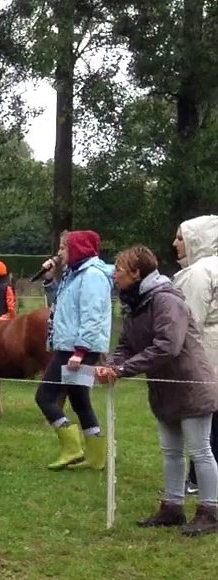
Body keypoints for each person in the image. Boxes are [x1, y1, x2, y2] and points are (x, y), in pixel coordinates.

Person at [96, 246, 218, 536]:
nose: (115, 275)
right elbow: (127, 344)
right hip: (165, 387)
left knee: (200, 450)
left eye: (120, 271)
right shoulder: (136, 303)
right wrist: (113, 364)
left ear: (137, 273)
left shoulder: (165, 300)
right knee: (171, 450)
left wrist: (124, 369)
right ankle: (173, 507)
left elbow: (168, 345)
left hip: (189, 384)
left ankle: (211, 510)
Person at [36, 230, 115, 470]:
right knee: (80, 400)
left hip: (76, 348)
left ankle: (73, 448)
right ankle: (96, 457)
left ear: (77, 249)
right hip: (73, 346)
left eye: (63, 248)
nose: (59, 253)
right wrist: (50, 280)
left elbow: (93, 316)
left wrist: (80, 351)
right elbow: (62, 307)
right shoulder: (75, 275)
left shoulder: (92, 276)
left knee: (45, 397)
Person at [173, 215, 218, 495]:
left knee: (207, 418)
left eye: (180, 237)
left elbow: (190, 320)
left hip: (208, 353)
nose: (175, 243)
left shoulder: (200, 272)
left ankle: (202, 481)